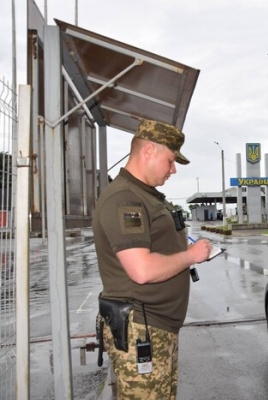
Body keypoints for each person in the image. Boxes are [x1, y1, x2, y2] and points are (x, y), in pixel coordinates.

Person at [92, 119, 213, 399]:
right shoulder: (125, 199)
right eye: (170, 161)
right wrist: (191, 256)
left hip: (156, 326)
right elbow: (142, 269)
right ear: (149, 151)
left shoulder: (144, 196)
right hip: (142, 329)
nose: (173, 170)